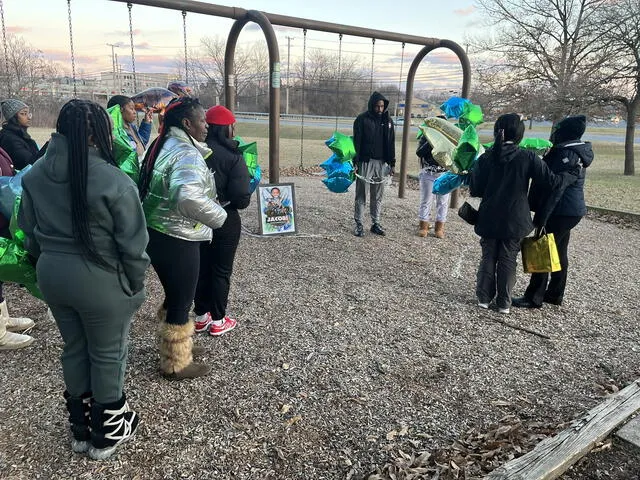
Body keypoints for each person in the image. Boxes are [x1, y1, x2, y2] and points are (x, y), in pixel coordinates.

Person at [18, 99, 149, 459]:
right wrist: (134, 285)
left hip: (53, 275)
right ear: (98, 133)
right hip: (100, 278)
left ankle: (80, 428)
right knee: (108, 353)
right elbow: (134, 246)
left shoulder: (34, 174)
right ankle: (107, 434)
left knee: (75, 348)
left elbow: (28, 230)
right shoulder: (114, 180)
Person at [138, 97, 227, 379]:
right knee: (181, 299)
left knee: (176, 294)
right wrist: (219, 217)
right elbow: (187, 196)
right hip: (177, 236)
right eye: (202, 121)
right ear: (187, 123)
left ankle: (177, 344)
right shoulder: (186, 153)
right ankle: (176, 363)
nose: (207, 126)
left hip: (159, 232)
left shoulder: (163, 143)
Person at [468, 113, 577, 314]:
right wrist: (570, 176)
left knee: (488, 256)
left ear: (496, 131)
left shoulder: (486, 157)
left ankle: (483, 297)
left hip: (489, 215)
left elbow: (475, 189)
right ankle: (504, 303)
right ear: (519, 134)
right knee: (509, 258)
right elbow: (551, 182)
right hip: (516, 218)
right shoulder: (527, 157)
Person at [512, 115, 593, 308]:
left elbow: (555, 187)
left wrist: (541, 218)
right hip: (569, 210)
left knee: (543, 248)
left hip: (560, 209)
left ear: (566, 133)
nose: (554, 134)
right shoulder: (572, 151)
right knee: (559, 250)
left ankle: (534, 296)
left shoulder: (568, 155)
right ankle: (554, 294)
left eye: (558, 131)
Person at [193, 106, 250, 336]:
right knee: (221, 270)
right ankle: (218, 320)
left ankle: (200, 316)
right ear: (226, 128)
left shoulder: (195, 151)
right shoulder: (233, 156)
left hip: (196, 217)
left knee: (201, 267)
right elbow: (242, 198)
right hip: (225, 218)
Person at [352, 91, 395, 237]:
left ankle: (375, 223)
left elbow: (391, 143)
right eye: (377, 106)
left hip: (382, 163)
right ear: (372, 105)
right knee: (361, 195)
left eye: (382, 106)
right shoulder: (362, 119)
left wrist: (392, 163)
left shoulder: (388, 121)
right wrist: (355, 161)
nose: (380, 109)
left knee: (377, 196)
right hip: (365, 162)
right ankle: (359, 223)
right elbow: (356, 142)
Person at [416, 135, 449, 238]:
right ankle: (423, 226)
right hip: (428, 172)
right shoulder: (426, 136)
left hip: (444, 174)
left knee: (443, 202)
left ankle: (439, 228)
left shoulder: (448, 137)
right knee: (426, 200)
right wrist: (431, 140)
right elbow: (419, 153)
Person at [0, 99, 39, 170]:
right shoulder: (10, 139)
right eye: (23, 114)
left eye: (28, 113)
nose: (29, 118)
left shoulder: (19, 135)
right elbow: (30, 164)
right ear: (13, 118)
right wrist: (49, 145)